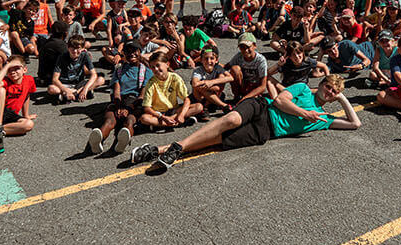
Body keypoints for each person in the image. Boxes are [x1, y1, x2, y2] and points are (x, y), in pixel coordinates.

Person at [128, 74, 359, 171]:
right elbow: (279, 100)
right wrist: (303, 113)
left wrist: (343, 98)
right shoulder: (302, 89)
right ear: (322, 84)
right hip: (262, 108)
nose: (329, 92)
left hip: (266, 131)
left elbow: (354, 124)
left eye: (334, 92)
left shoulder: (324, 119)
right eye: (328, 87)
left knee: (218, 140)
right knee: (231, 118)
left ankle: (156, 150)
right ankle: (177, 148)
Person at [87, 42, 151, 154]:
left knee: (130, 120)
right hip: (119, 101)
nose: (131, 54)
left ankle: (123, 141)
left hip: (135, 102)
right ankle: (98, 140)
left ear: (140, 52)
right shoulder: (119, 70)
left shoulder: (146, 71)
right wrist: (118, 106)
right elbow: (116, 91)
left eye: (134, 51)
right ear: (124, 54)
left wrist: (129, 108)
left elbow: (142, 95)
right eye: (128, 52)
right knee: (109, 120)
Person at [0, 55, 37, 153]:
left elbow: (26, 96)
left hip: (9, 115)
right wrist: (6, 66)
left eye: (16, 68)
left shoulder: (29, 80)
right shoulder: (5, 81)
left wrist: (26, 115)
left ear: (24, 69)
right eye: (9, 69)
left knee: (28, 124)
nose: (12, 72)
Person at [139, 51, 205, 130]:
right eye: (153, 67)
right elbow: (147, 108)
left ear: (167, 64)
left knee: (198, 106)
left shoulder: (175, 78)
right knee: (144, 118)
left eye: (158, 65)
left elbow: (186, 99)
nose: (156, 69)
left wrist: (181, 114)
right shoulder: (150, 83)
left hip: (174, 111)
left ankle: (163, 124)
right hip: (159, 114)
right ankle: (175, 123)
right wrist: (162, 117)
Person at [47, 34, 101, 103]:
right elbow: (55, 79)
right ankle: (77, 94)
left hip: (79, 83)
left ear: (83, 48)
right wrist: (66, 90)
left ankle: (73, 94)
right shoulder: (62, 57)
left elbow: (94, 74)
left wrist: (85, 89)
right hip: (65, 83)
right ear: (68, 47)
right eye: (72, 48)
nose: (75, 51)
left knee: (100, 80)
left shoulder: (84, 55)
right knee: (51, 89)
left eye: (78, 48)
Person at [225, 33, 271, 103]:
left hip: (254, 88)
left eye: (248, 47)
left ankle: (246, 98)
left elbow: (263, 86)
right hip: (243, 86)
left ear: (254, 46)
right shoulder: (238, 56)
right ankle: (237, 97)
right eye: (242, 47)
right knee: (234, 69)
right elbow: (225, 67)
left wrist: (245, 98)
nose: (246, 50)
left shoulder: (260, 60)